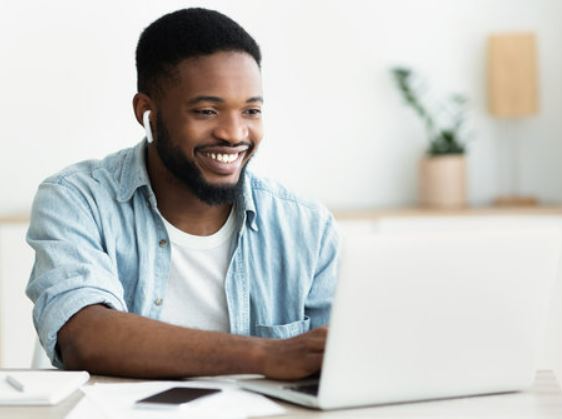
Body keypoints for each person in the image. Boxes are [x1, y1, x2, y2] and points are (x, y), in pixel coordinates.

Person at [25, 7, 338, 379]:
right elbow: (85, 336)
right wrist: (266, 355)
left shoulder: (307, 226)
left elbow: (342, 361)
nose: (235, 134)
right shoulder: (77, 200)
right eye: (207, 111)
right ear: (147, 112)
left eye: (251, 111)